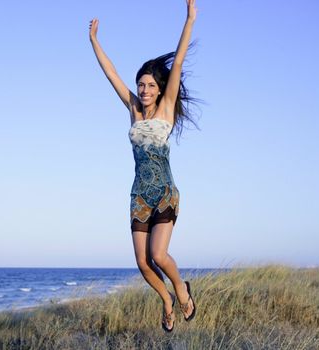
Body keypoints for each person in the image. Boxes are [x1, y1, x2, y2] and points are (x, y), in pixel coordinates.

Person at [89, 0, 198, 332]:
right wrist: (95, 41)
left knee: (160, 256)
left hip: (165, 192)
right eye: (141, 84)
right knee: (142, 262)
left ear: (160, 88)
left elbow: (178, 60)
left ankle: (181, 290)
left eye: (150, 84)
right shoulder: (133, 109)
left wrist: (190, 18)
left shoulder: (166, 109)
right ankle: (165, 300)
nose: (144, 89)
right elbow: (111, 74)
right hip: (139, 195)